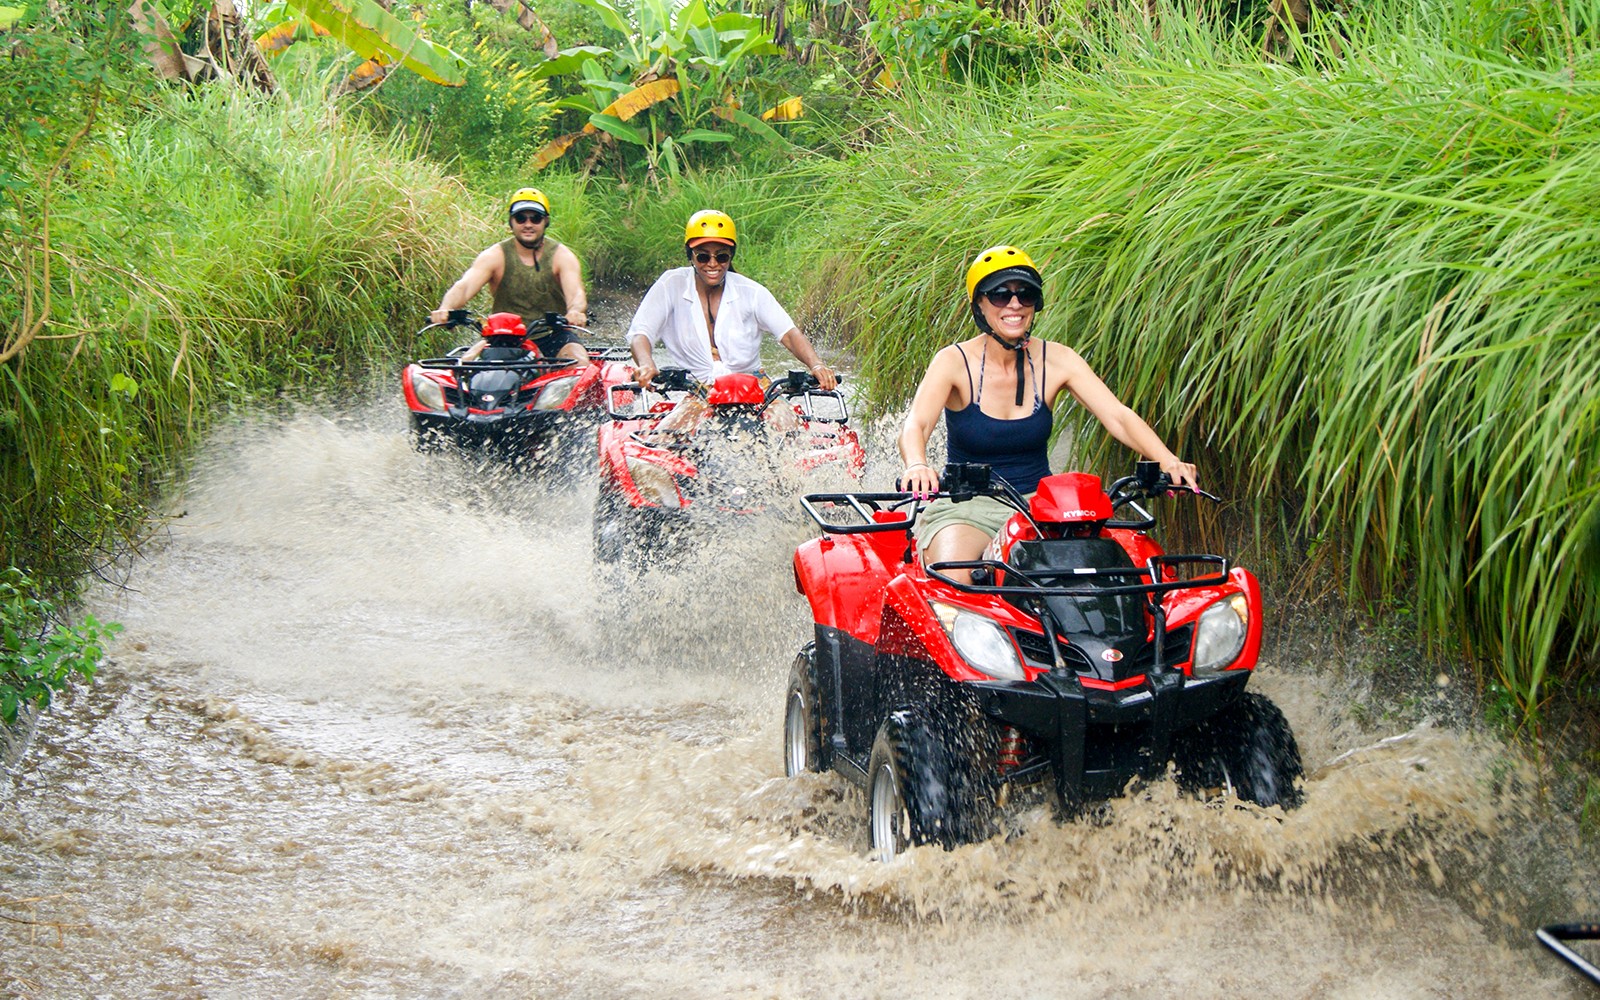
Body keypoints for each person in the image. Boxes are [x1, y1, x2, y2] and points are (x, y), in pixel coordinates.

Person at [898, 244, 1198, 582]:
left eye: (1025, 294)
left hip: (1042, 507)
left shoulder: (1058, 359)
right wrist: (917, 464)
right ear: (980, 304)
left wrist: (1167, 459)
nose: (1014, 305)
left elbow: (1117, 415)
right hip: (969, 507)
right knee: (954, 577)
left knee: (1123, 576)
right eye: (1000, 295)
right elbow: (917, 425)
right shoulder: (953, 362)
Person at [627, 209, 837, 392]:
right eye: (703, 256)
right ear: (690, 256)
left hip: (753, 383)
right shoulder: (671, 284)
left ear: (730, 257)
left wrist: (816, 365)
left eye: (721, 257)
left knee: (786, 425)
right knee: (668, 435)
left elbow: (788, 334)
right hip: (697, 387)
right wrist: (646, 364)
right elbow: (641, 333)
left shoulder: (751, 292)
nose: (712, 264)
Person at [431, 187, 591, 365]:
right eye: (521, 218)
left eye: (535, 218)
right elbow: (465, 286)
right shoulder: (494, 256)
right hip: (502, 336)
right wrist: (446, 308)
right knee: (464, 365)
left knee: (580, 363)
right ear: (511, 222)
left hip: (553, 335)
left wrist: (575, 312)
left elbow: (576, 292)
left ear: (546, 221)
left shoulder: (562, 256)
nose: (528, 224)